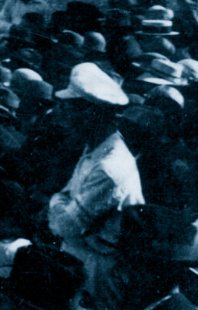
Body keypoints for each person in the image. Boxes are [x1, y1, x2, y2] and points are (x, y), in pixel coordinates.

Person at [48, 62, 144, 309]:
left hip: (96, 272)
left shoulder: (109, 167)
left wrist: (57, 203)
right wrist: (61, 202)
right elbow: (65, 198)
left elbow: (66, 225)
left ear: (91, 113)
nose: (65, 115)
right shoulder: (95, 149)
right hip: (80, 258)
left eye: (71, 109)